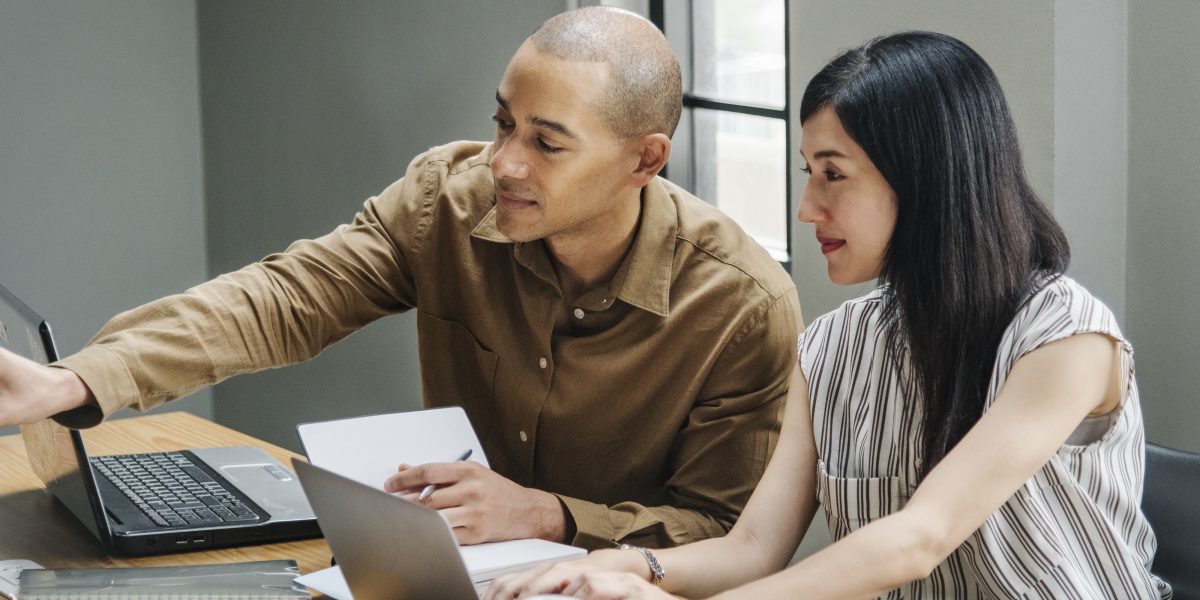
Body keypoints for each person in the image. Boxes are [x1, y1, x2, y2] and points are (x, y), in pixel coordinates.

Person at [0, 7, 801, 550]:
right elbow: (286, 297)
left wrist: (551, 517)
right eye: (502, 123)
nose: (504, 162)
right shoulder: (446, 201)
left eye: (547, 144)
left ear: (644, 160)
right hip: (439, 572)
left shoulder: (740, 305)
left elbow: (726, 532)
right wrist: (71, 382)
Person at [485, 30, 1171, 599]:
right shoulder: (832, 348)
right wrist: (628, 566)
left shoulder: (1066, 337)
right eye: (807, 171)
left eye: (833, 174)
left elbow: (917, 540)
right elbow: (753, 550)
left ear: (926, 177)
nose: (808, 207)